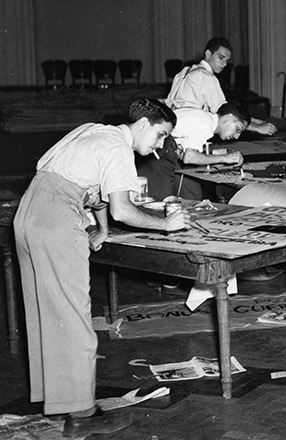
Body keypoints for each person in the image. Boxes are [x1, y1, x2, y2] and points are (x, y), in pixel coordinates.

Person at [13, 98, 188, 437]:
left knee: (46, 313)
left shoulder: (93, 131)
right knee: (76, 316)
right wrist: (165, 225)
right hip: (57, 219)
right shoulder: (118, 149)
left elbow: (94, 194)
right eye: (159, 136)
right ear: (143, 125)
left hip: (30, 214)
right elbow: (123, 209)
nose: (156, 148)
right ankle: (82, 415)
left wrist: (103, 228)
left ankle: (58, 402)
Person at [136, 102, 247, 201]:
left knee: (188, 192)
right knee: (182, 199)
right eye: (238, 129)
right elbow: (190, 157)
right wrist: (225, 158)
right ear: (229, 117)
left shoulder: (202, 116)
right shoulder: (206, 124)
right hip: (155, 155)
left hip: (152, 153)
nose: (237, 137)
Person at [166, 37, 276, 135]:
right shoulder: (207, 77)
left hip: (172, 127)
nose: (224, 64)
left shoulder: (185, 71)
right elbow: (226, 115)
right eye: (221, 58)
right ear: (208, 54)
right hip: (189, 131)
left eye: (227, 60)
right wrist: (258, 128)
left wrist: (255, 121)